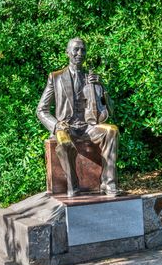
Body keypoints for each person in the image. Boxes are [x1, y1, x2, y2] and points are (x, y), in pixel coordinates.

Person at [37, 37, 120, 197]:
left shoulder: (92, 78)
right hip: (65, 126)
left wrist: (101, 87)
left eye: (83, 50)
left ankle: (108, 183)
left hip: (88, 126)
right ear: (68, 52)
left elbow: (110, 109)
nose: (80, 53)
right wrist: (56, 125)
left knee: (112, 130)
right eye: (76, 49)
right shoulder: (56, 77)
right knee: (65, 143)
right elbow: (41, 110)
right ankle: (73, 185)